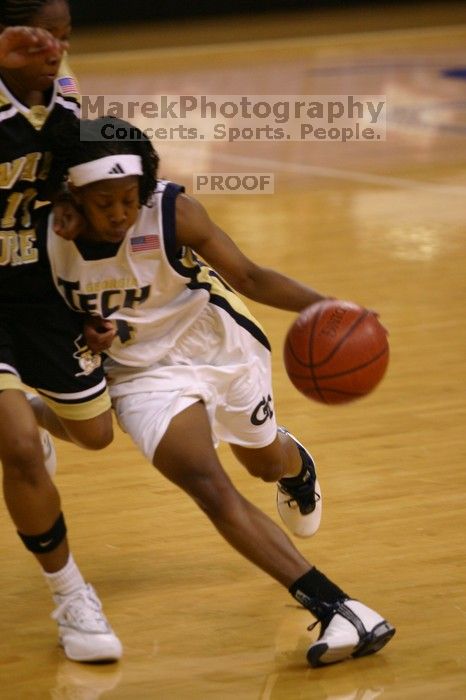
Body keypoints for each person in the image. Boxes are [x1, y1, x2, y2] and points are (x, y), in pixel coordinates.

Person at [44, 116, 396, 668]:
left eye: (128, 198)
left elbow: (250, 277)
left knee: (262, 463)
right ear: (72, 194)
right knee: (207, 483)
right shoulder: (43, 235)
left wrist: (332, 307)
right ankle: (337, 606)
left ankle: (294, 463)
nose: (118, 212)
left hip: (214, 343)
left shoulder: (173, 214)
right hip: (140, 374)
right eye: (104, 200)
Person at [0, 2, 121, 662]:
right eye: (47, 39)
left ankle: (20, 405)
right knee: (16, 446)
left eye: (66, 40)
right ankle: (71, 595)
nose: (59, 51)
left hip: (34, 287)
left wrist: (93, 296)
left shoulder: (63, 97)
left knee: (94, 434)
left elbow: (79, 193)